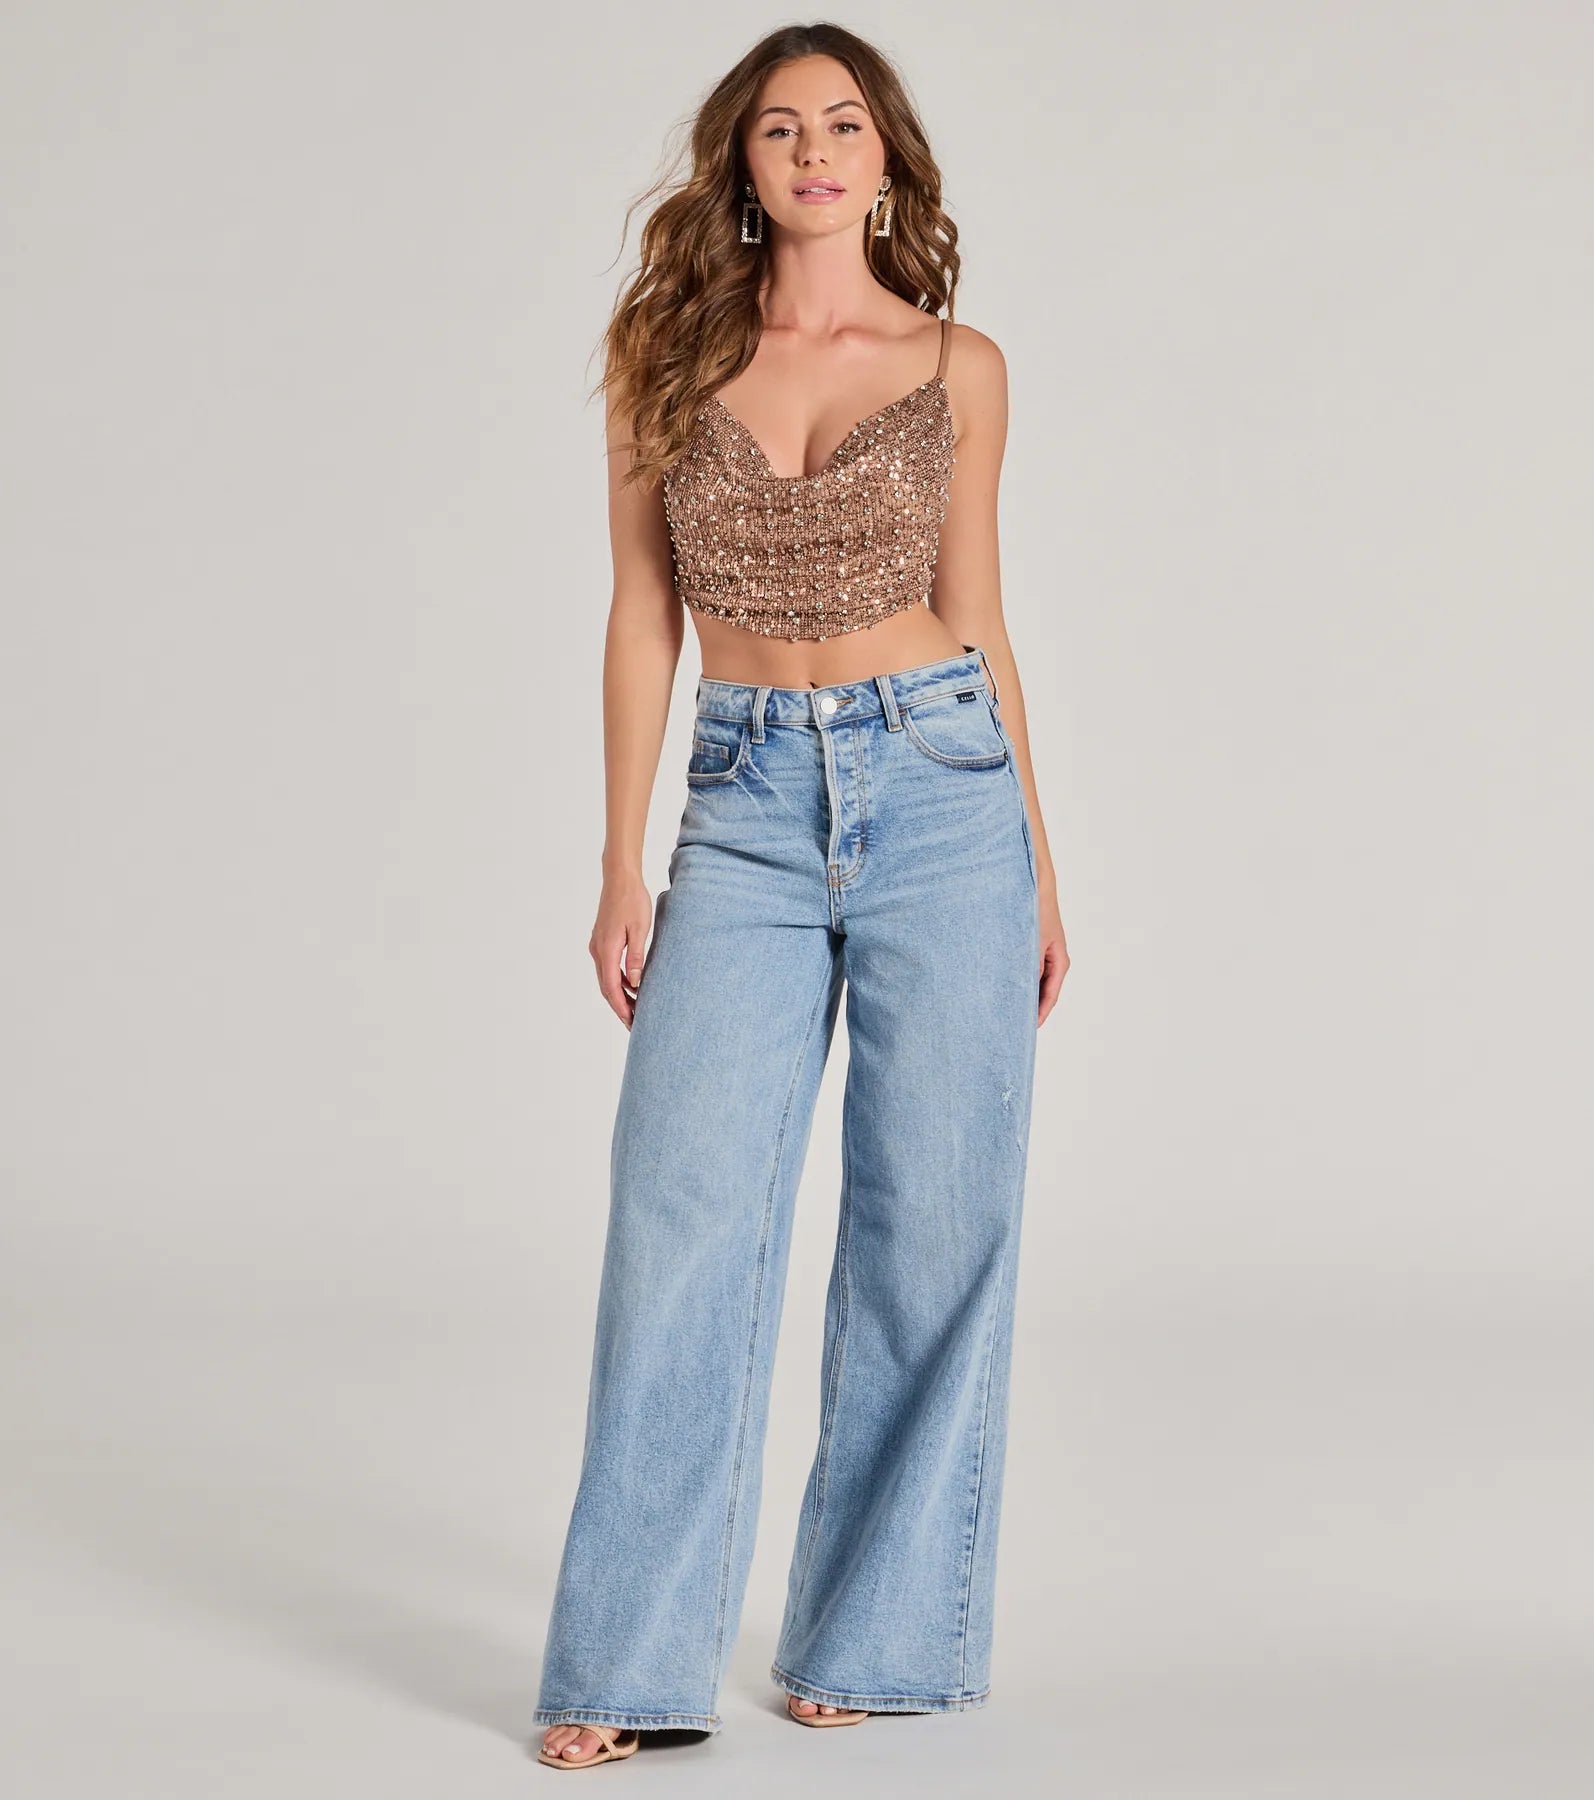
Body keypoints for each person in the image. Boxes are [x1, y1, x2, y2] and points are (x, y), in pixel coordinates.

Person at [534, 22, 1069, 1771]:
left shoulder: (959, 365)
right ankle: (625, 1665)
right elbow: (641, 619)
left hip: (943, 794)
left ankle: (877, 1639)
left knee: (933, 1224)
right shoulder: (664, 358)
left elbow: (979, 618)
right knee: (680, 1222)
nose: (816, 151)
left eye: (843, 124)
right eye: (781, 128)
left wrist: (1037, 863)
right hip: (746, 802)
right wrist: (619, 860)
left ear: (884, 157)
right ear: (742, 166)